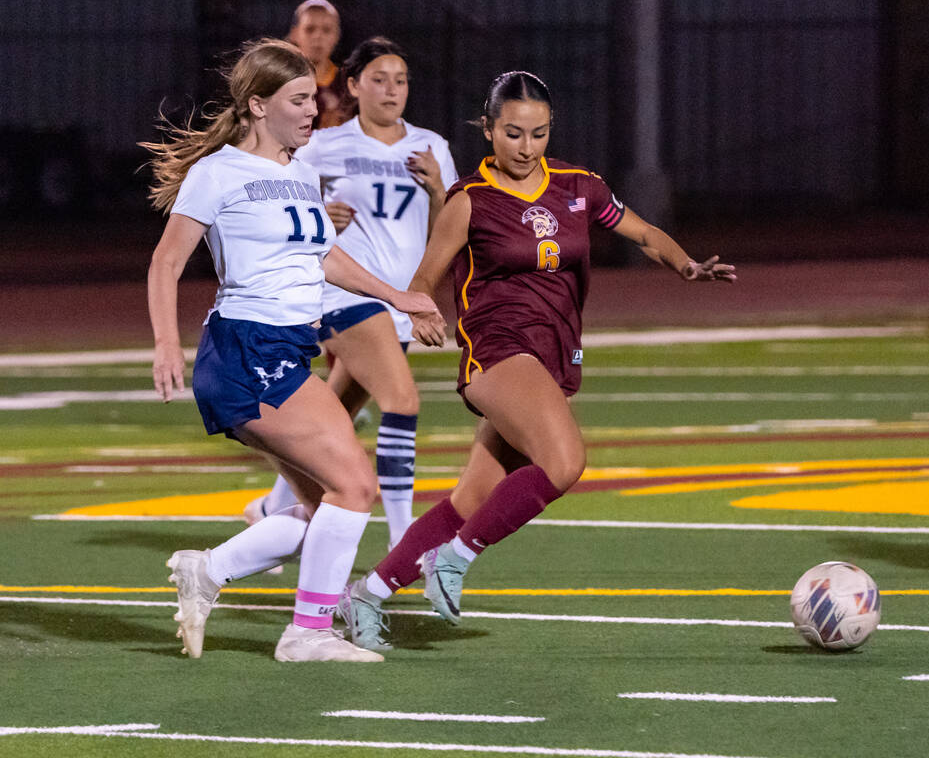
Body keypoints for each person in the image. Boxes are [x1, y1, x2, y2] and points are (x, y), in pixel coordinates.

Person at [335, 70, 735, 650]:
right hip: (497, 352)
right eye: (514, 134)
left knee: (469, 501)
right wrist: (422, 312)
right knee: (566, 460)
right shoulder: (469, 201)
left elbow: (644, 234)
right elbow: (426, 275)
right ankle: (453, 560)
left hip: (553, 357)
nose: (526, 148)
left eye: (539, 134)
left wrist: (688, 266)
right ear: (489, 130)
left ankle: (366, 596)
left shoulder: (581, 187)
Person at [144, 38, 443, 661]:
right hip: (244, 351)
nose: (314, 110)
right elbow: (166, 262)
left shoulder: (302, 171)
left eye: (315, 98)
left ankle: (208, 571)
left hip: (287, 350)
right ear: (257, 106)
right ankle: (307, 633)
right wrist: (167, 345)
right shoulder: (218, 172)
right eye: (299, 99)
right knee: (355, 486)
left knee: (319, 512)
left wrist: (398, 296)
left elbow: (326, 257)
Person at [243, 36, 459, 549]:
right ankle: (405, 541)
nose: (392, 90)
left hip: (401, 302)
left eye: (401, 80)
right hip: (344, 294)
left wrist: (436, 191)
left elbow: (446, 231)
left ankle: (272, 506)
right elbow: (281, 201)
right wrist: (320, 209)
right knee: (402, 401)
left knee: (332, 419)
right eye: (379, 80)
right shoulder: (324, 143)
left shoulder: (431, 148)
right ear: (354, 85)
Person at [288, 0, 348, 129]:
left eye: (326, 30)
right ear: (294, 34)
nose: (318, 36)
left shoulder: (349, 86)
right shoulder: (280, 82)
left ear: (336, 36)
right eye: (310, 29)